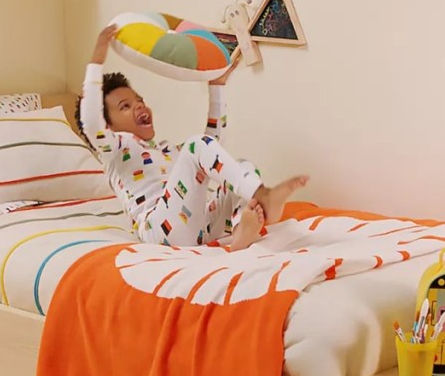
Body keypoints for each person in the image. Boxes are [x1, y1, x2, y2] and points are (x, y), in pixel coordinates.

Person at [80, 24, 308, 251]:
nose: (139, 105)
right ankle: (262, 194)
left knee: (242, 166)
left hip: (198, 226)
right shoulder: (115, 151)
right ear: (108, 124)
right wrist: (97, 61)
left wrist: (217, 86)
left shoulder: (166, 151)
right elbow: (91, 124)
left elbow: (212, 146)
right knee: (197, 146)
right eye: (125, 106)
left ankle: (240, 231)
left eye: (139, 100)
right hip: (159, 230)